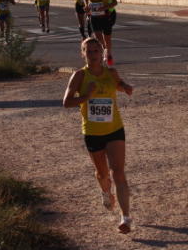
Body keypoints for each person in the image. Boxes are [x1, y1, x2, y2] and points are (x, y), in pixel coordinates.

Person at [63, 37, 134, 234]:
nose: (93, 55)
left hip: (114, 129)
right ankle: (105, 191)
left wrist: (126, 87)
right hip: (93, 132)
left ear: (102, 53)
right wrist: (87, 96)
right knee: (102, 174)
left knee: (117, 172)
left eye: (96, 51)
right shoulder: (79, 76)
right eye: (89, 51)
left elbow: (119, 84)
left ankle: (125, 217)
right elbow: (66, 102)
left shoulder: (111, 73)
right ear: (83, 54)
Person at [84, 0, 117, 65]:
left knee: (107, 38)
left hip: (105, 17)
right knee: (98, 38)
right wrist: (86, 6)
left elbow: (114, 2)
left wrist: (104, 8)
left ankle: (109, 53)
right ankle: (105, 52)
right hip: (94, 17)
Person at [98, 0, 121, 65]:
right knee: (98, 35)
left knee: (106, 34)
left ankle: (108, 53)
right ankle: (105, 51)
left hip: (109, 12)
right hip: (96, 14)